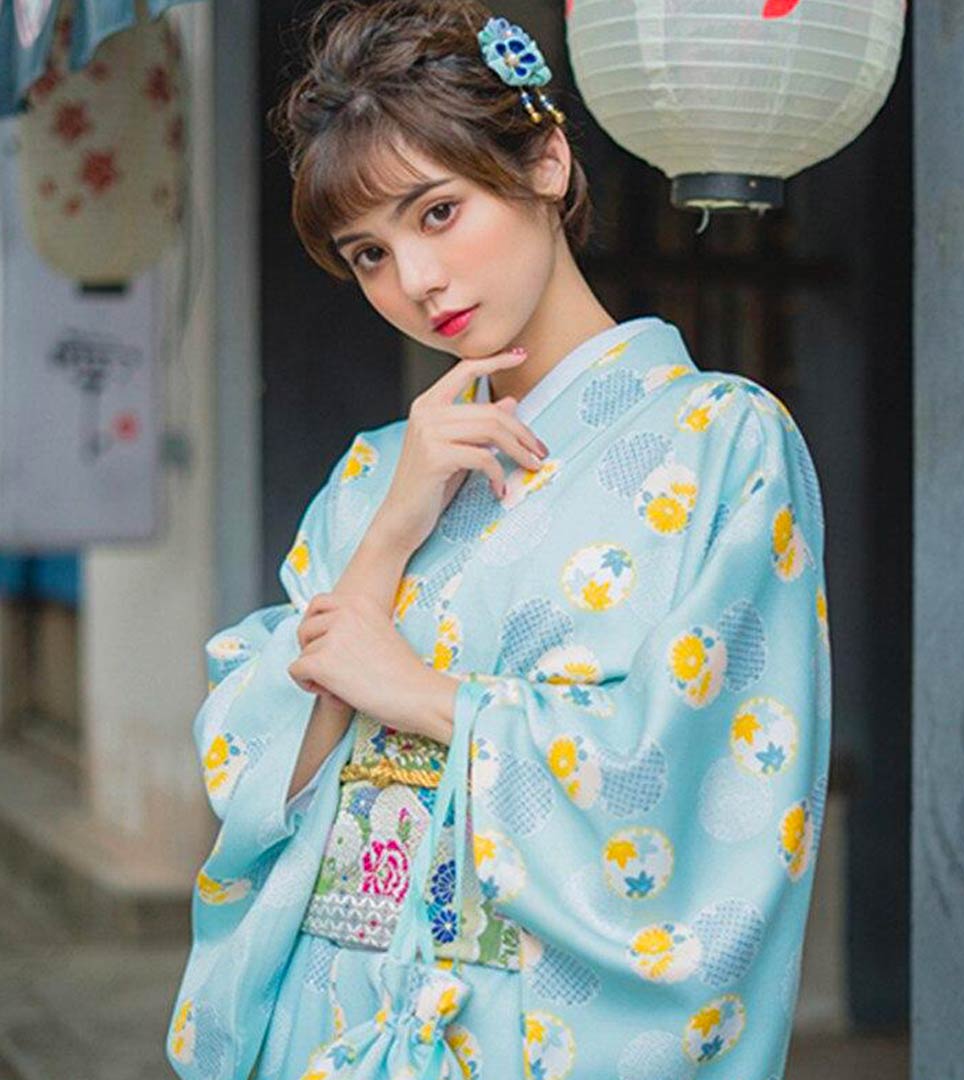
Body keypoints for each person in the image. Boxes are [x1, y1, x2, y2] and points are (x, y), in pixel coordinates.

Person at [165, 2, 833, 1078]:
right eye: (369, 253)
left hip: (530, 1033)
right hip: (333, 1022)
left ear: (548, 164)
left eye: (438, 213)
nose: (415, 282)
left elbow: (706, 778)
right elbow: (252, 773)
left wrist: (426, 698)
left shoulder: (722, 440)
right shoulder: (376, 476)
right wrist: (388, 537)